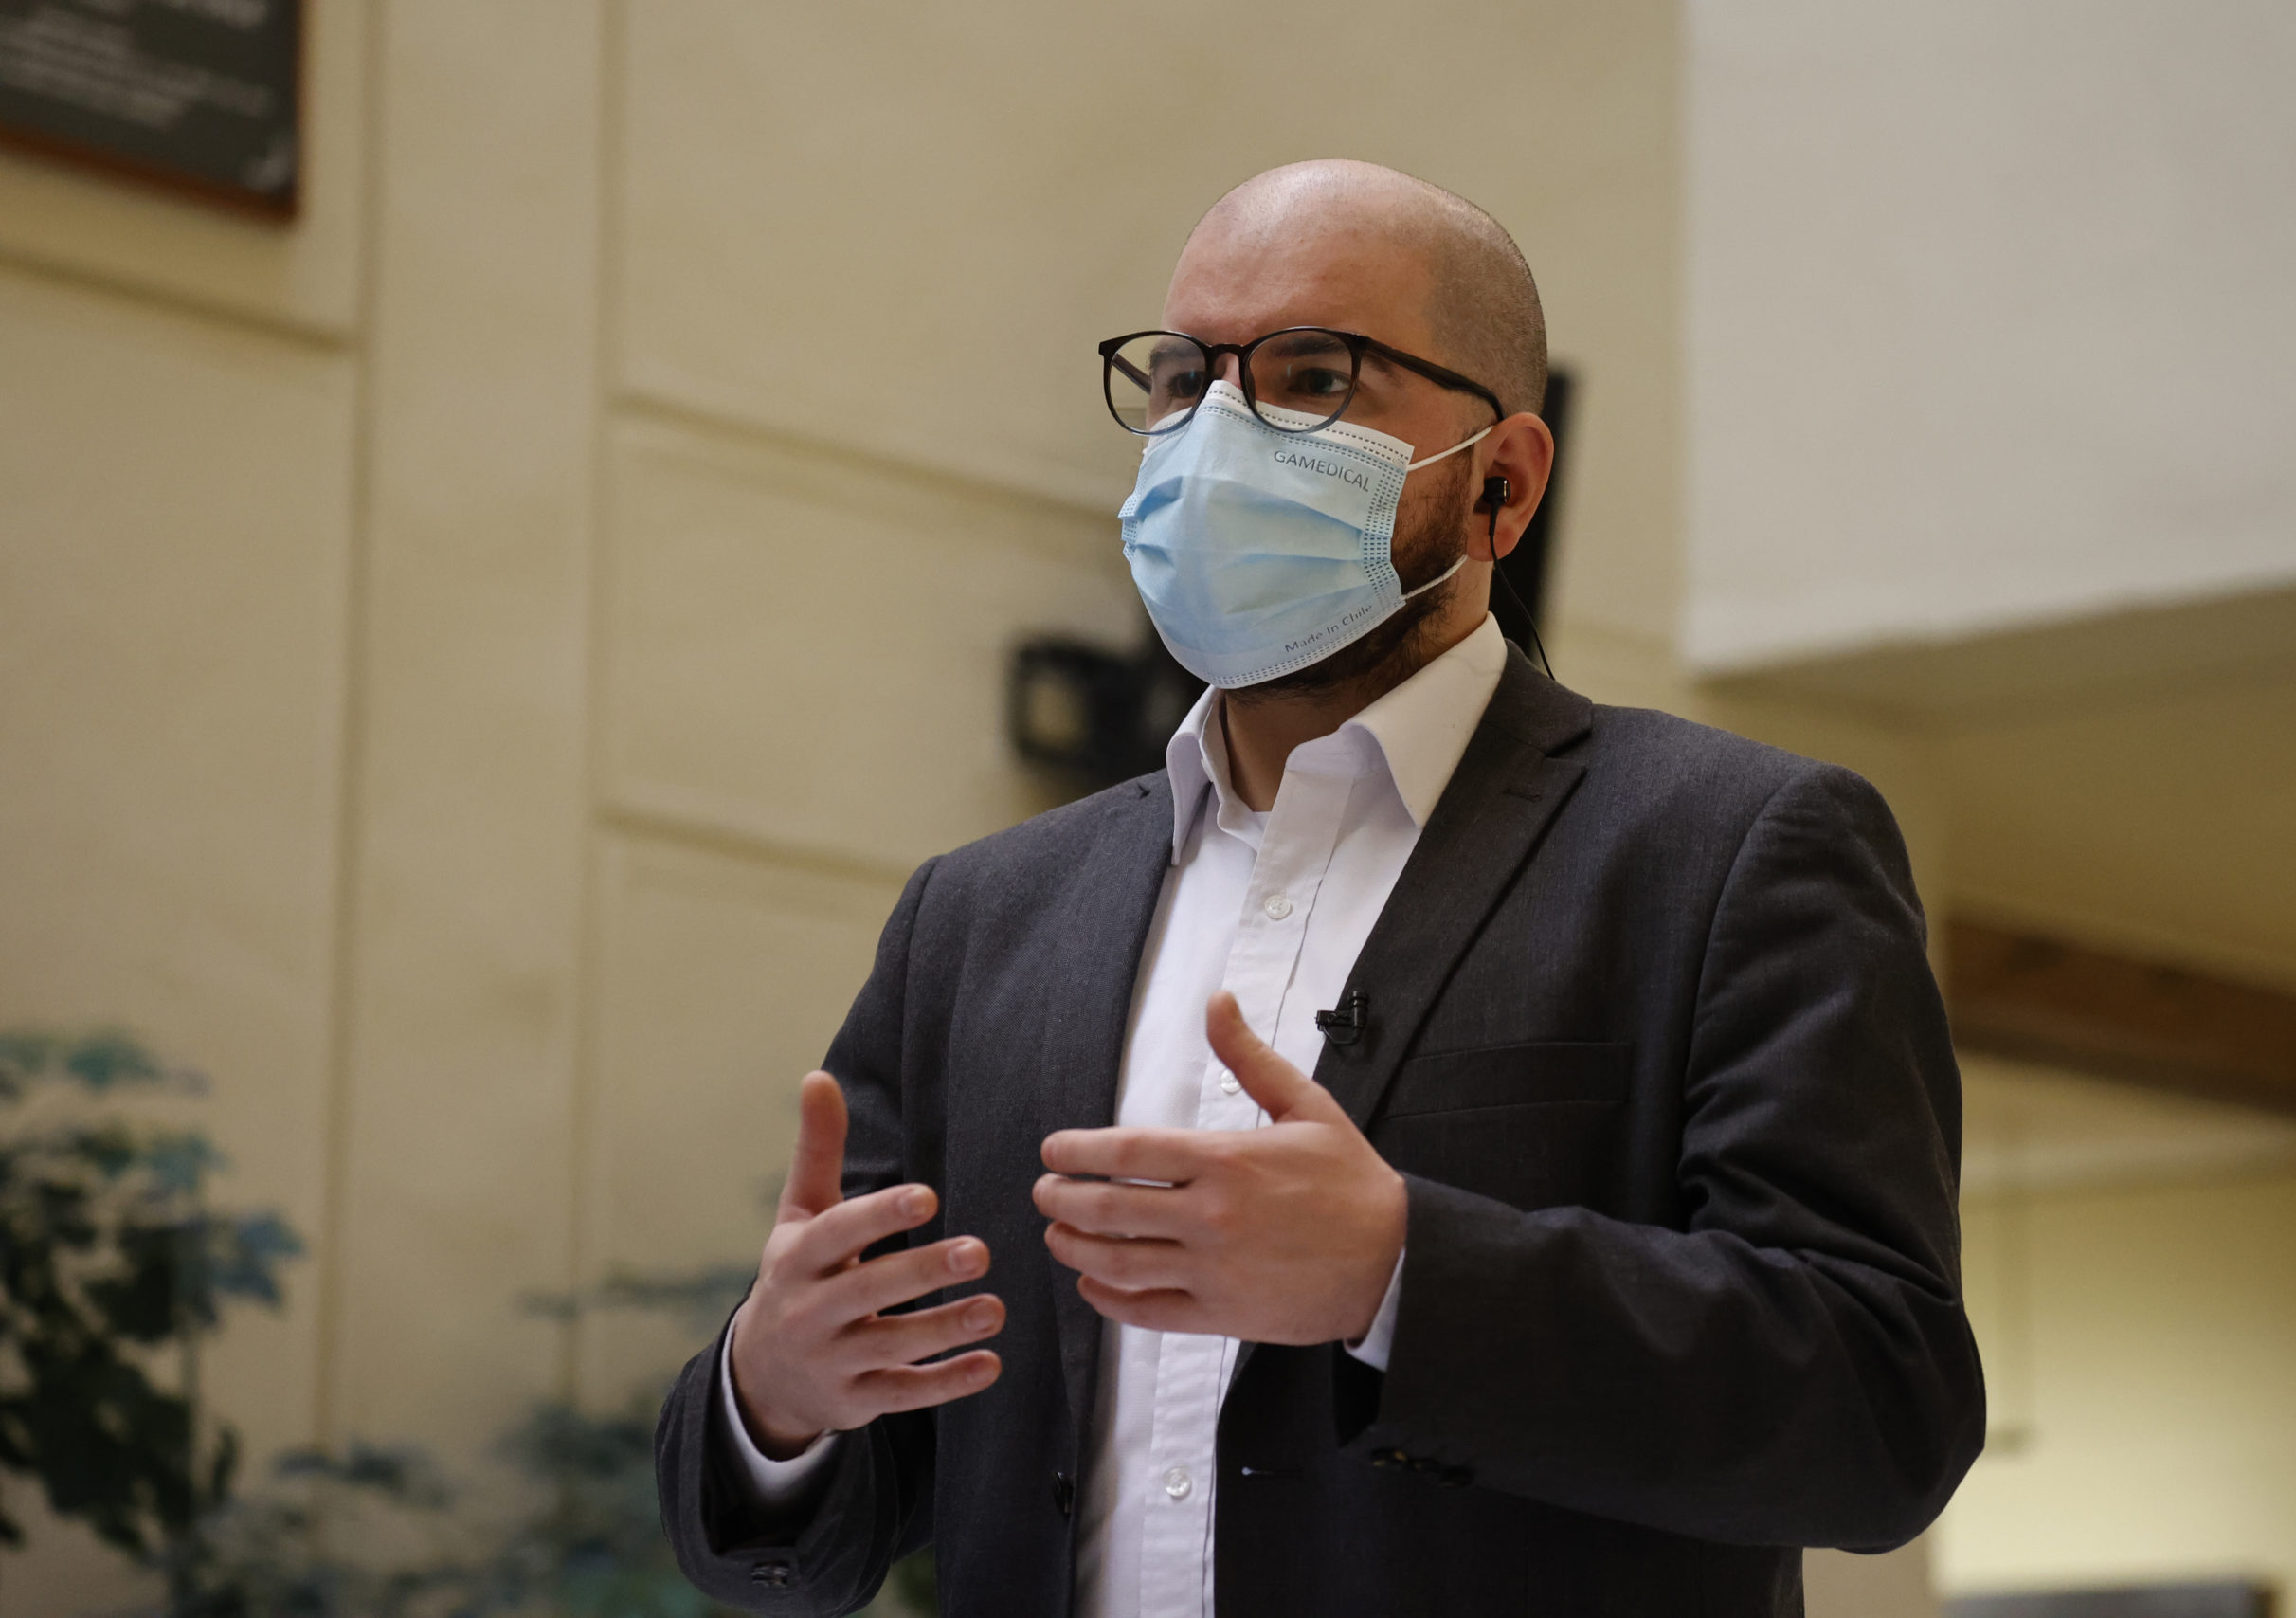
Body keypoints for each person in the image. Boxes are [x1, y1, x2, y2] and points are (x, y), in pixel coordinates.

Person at [656, 159, 1982, 1618]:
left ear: (1504, 480)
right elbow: (806, 1532)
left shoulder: (1728, 849)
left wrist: (1403, 1274)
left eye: (1313, 377)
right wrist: (775, 1396)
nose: (1220, 432)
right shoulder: (982, 918)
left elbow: (1881, 1406)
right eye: (1183, 379)